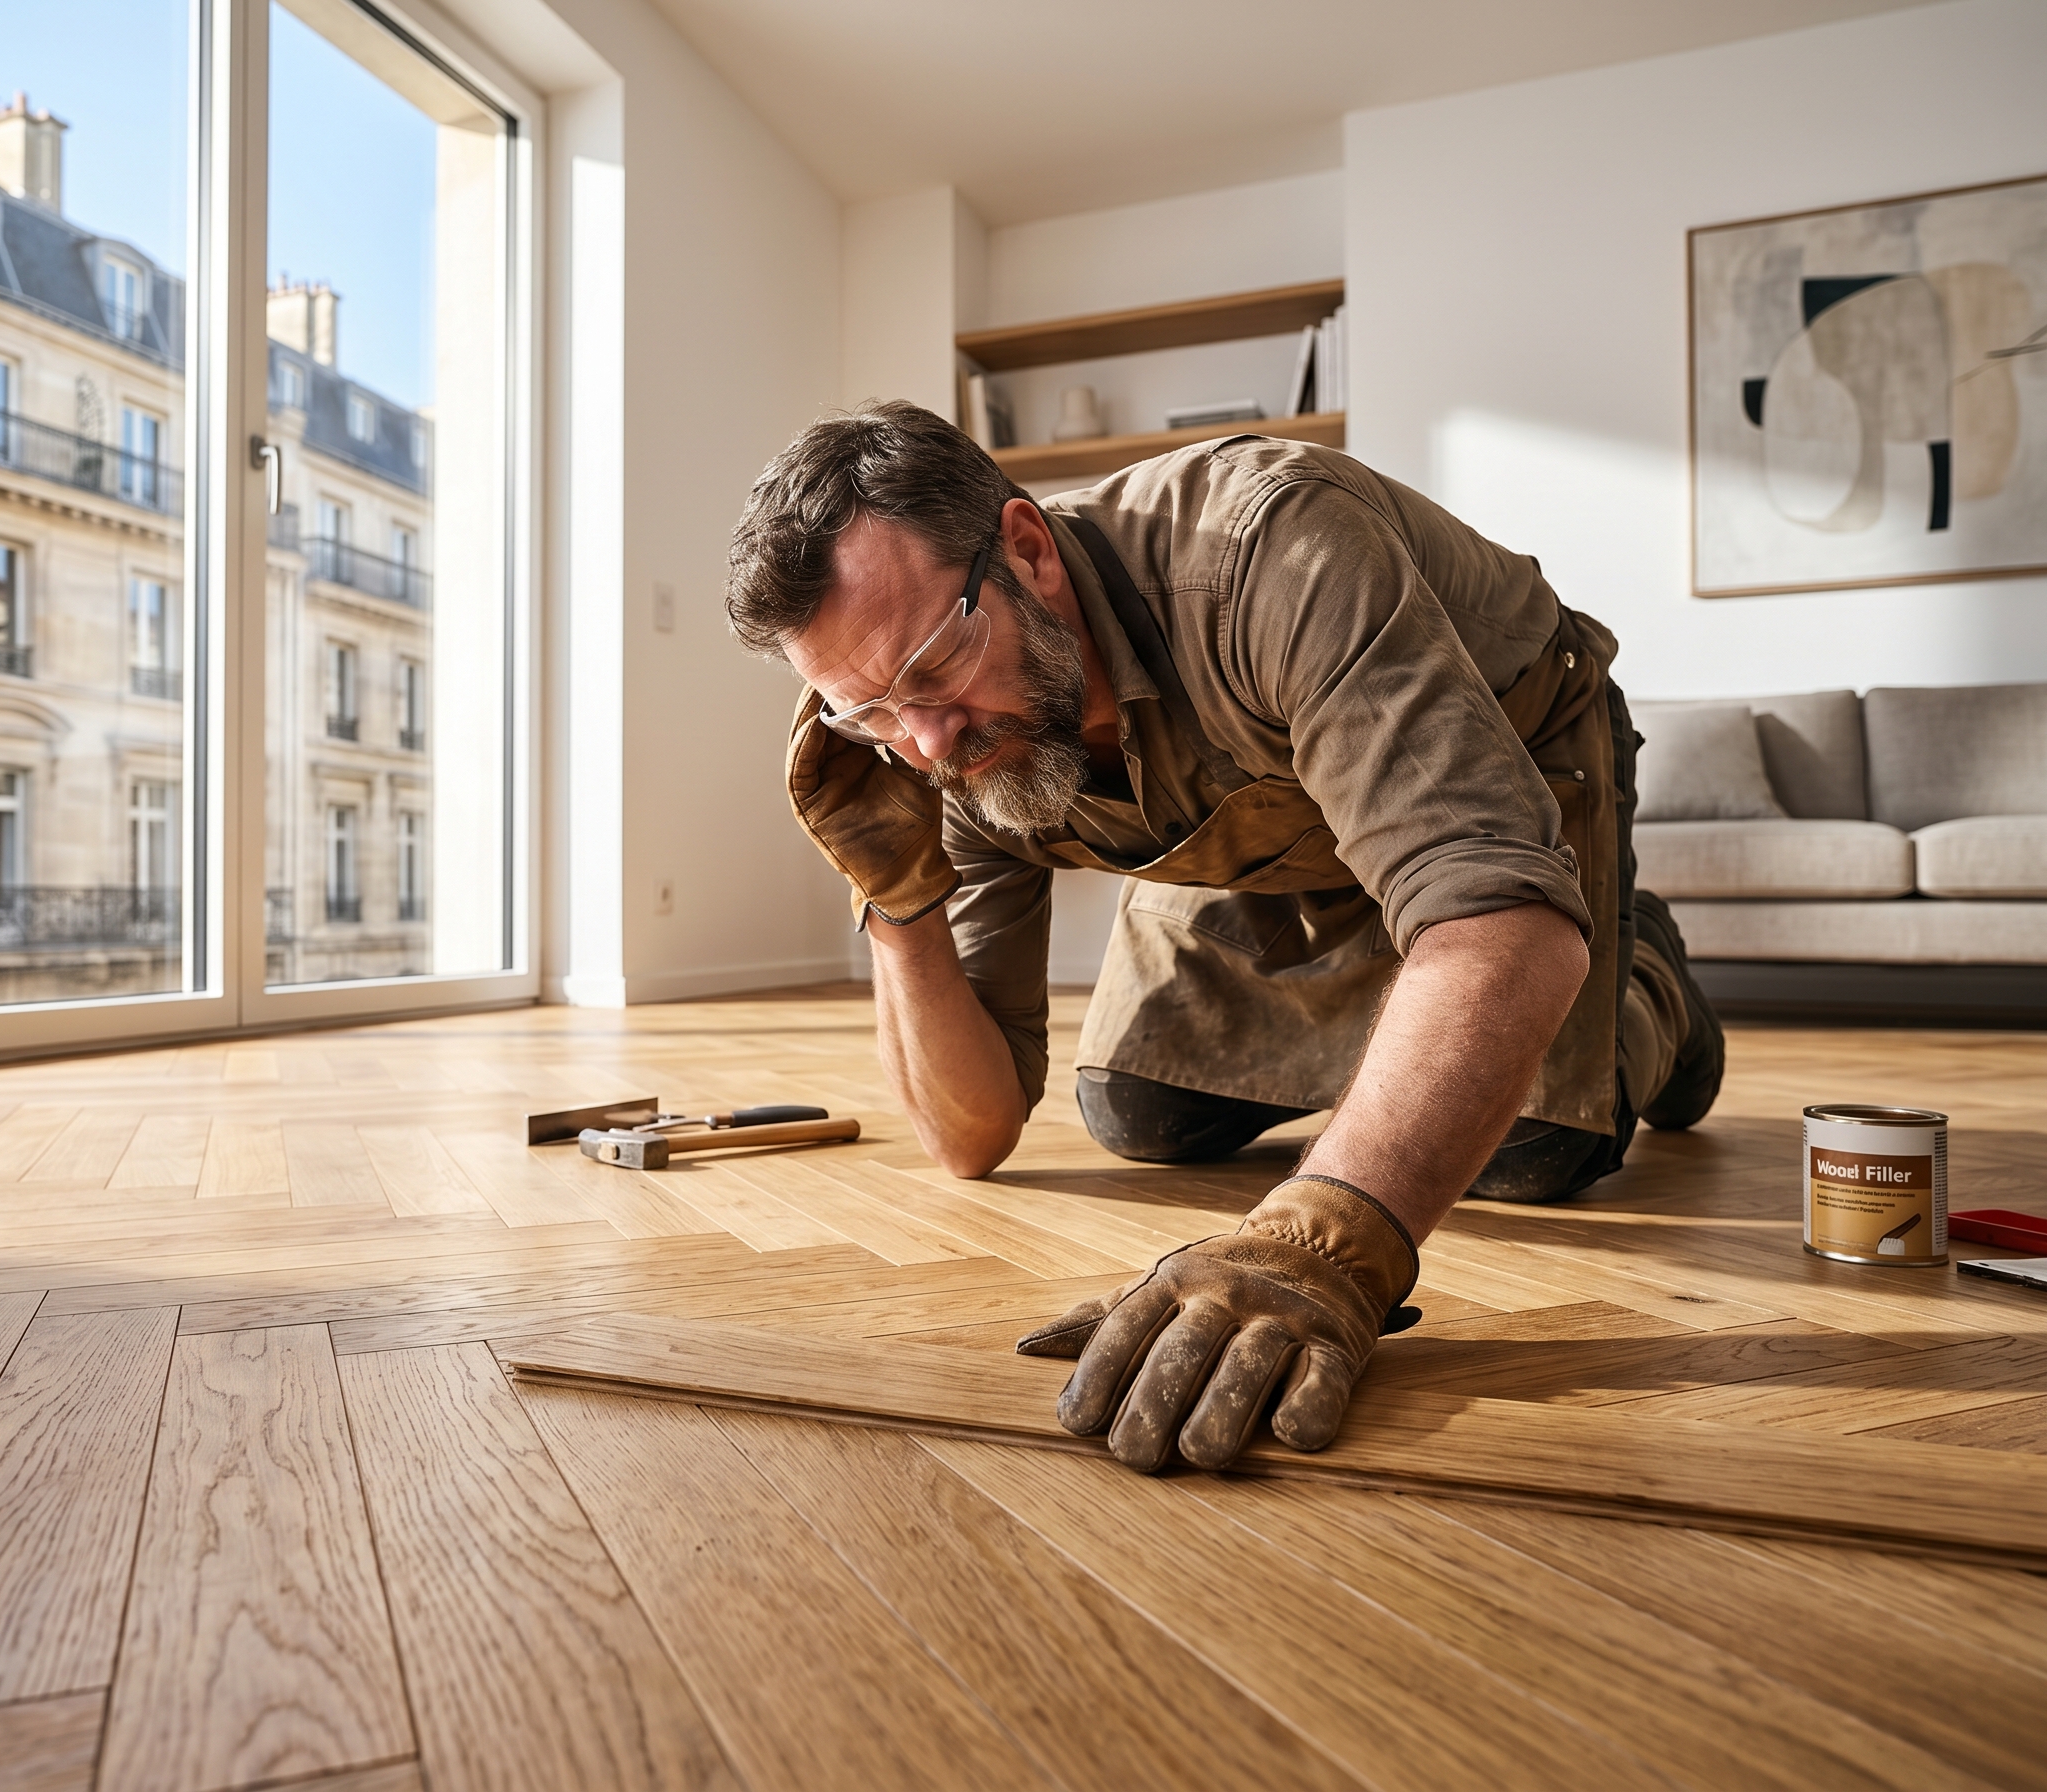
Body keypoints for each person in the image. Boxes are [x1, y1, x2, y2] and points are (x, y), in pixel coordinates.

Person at [724, 400, 1725, 1475]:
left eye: (932, 662)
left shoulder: (1273, 551)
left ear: (1026, 550)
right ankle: (1413, 980)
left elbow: (1494, 916)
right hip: (1245, 829)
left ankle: (1642, 968)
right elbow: (972, 1136)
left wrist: (1323, 1235)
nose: (924, 741)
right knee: (1139, 1108)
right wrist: (902, 904)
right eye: (864, 710)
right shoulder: (934, 741)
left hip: (1512, 742)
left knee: (1535, 1150)